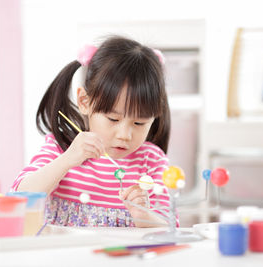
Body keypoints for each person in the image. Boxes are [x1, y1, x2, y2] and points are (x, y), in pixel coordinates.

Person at [11, 36, 173, 227]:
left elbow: (170, 228)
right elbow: (19, 199)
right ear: (85, 102)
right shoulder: (62, 147)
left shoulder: (151, 161)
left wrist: (143, 216)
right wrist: (67, 160)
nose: (124, 135)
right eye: (113, 119)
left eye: (139, 123)